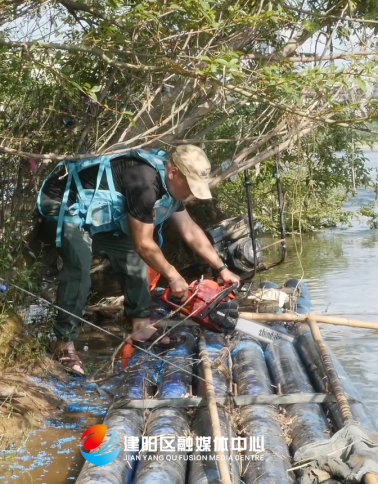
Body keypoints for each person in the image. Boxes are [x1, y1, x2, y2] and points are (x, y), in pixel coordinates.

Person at [36, 144, 239, 376]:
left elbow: (190, 230)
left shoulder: (171, 188)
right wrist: (173, 276)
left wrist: (221, 268)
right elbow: (144, 243)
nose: (191, 193)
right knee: (79, 266)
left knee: (130, 255)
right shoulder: (145, 185)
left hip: (96, 211)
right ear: (174, 172)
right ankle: (63, 343)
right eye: (190, 186)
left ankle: (140, 326)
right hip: (64, 202)